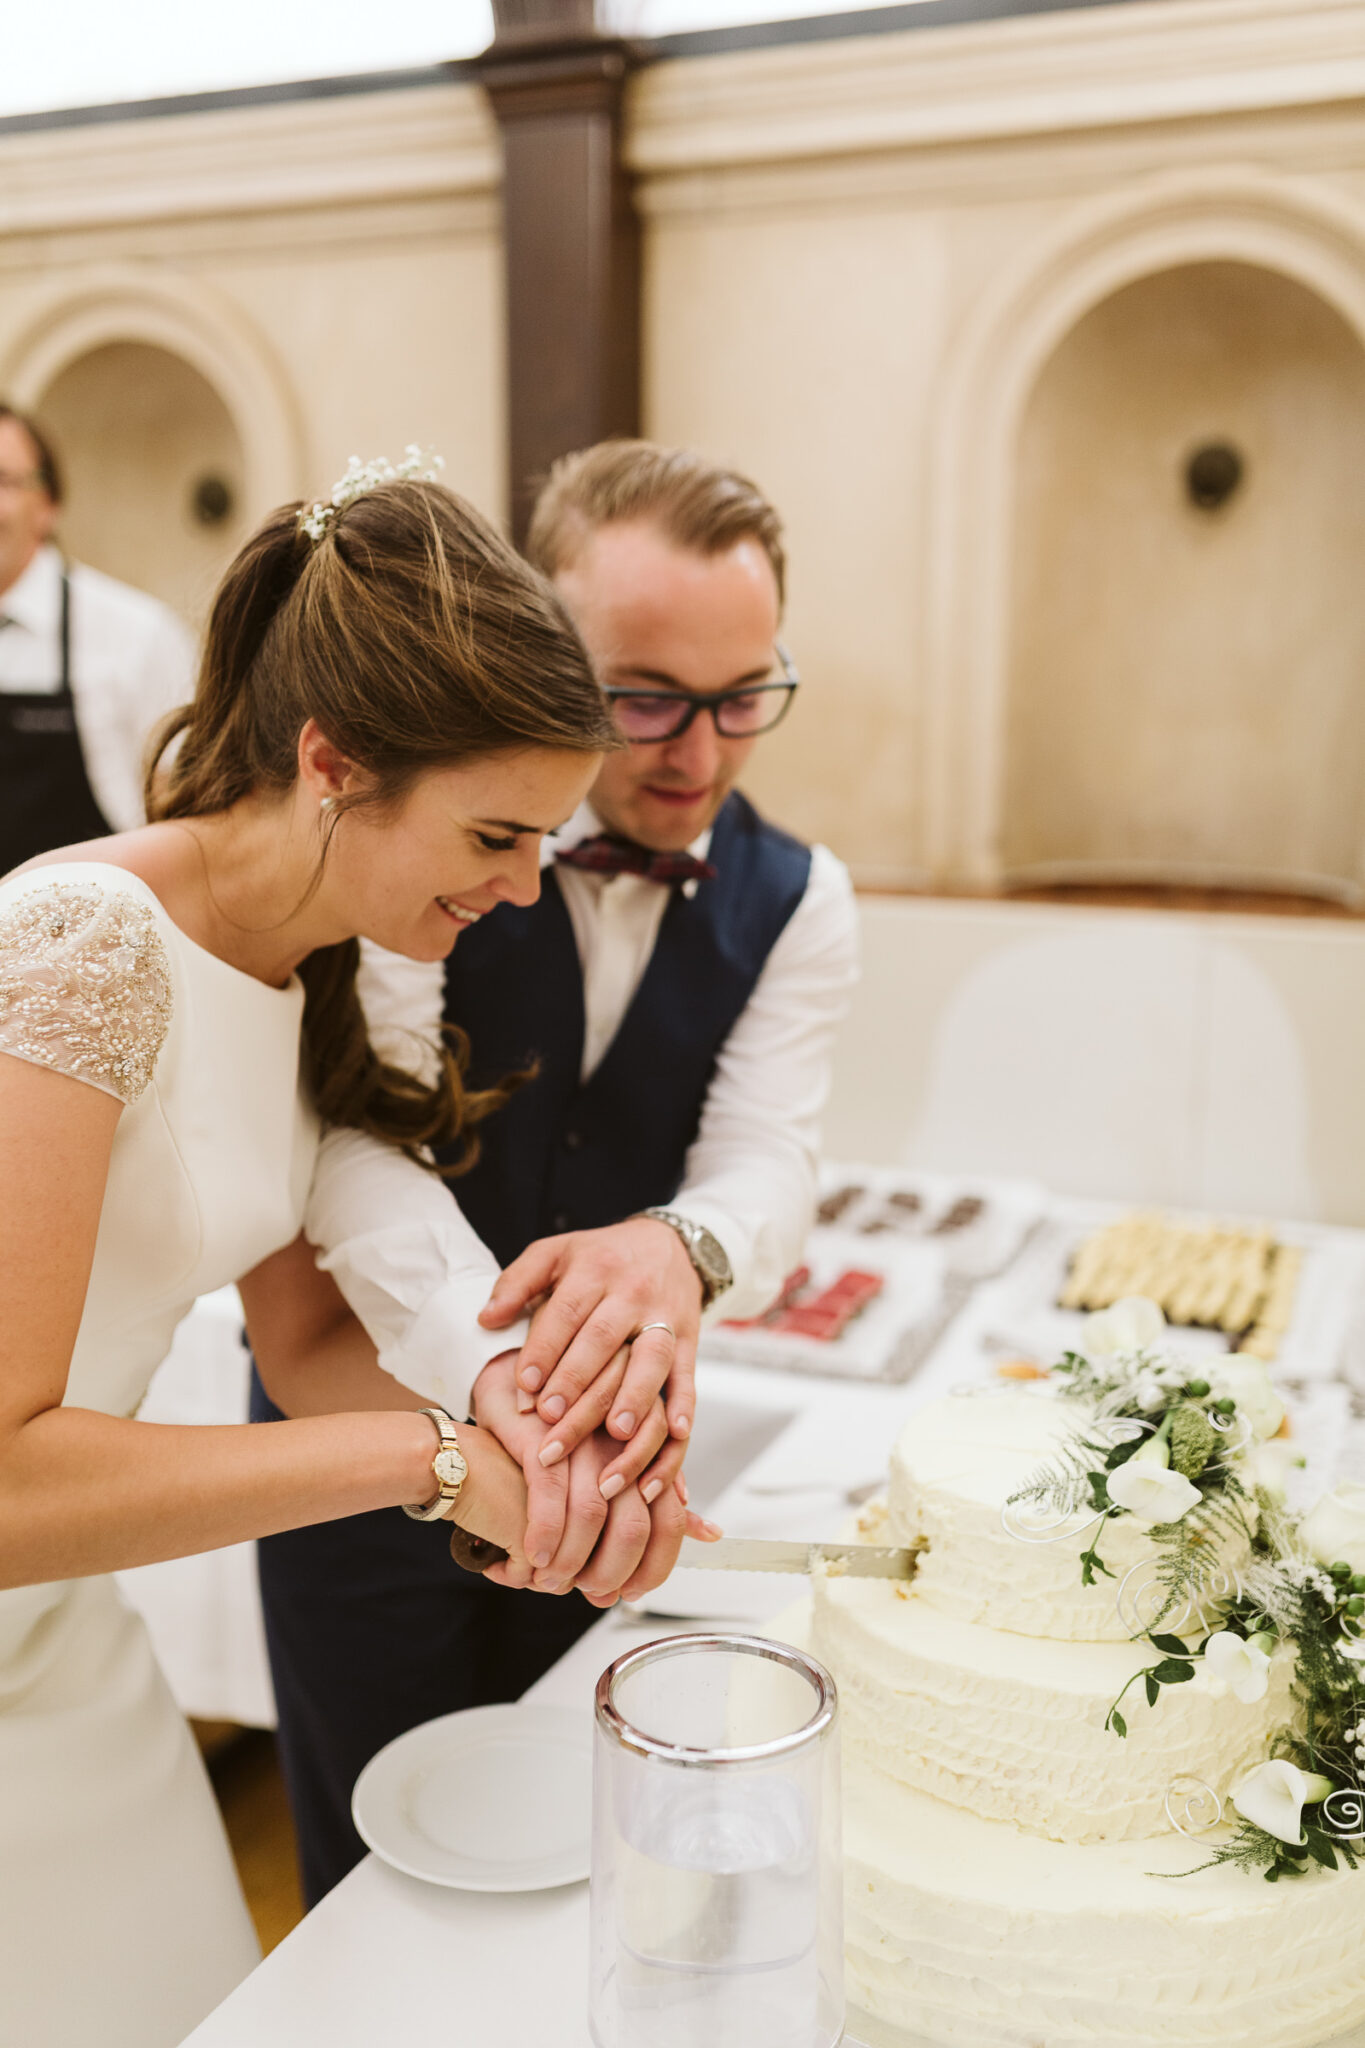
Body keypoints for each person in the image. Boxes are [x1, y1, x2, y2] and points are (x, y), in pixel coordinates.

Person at [0, 456, 706, 2048]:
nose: (525, 889)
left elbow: (306, 1337)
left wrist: (546, 1433)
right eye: (499, 833)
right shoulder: (80, 942)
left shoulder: (302, 959)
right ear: (332, 761)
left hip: (59, 1642)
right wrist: (438, 1463)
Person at [254, 440, 860, 1904]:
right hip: (354, 1445)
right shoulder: (416, 848)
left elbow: (770, 1160)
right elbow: (360, 1138)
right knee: (370, 1877)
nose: (697, 754)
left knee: (574, 1846)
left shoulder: (801, 897)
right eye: (642, 698)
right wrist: (495, 1386)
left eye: (741, 700)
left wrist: (677, 1247)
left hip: (603, 1475)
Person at [0, 403, 195, 871]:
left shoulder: (140, 635)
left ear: (49, 505)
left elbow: (185, 815)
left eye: (3, 481)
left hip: (82, 937)